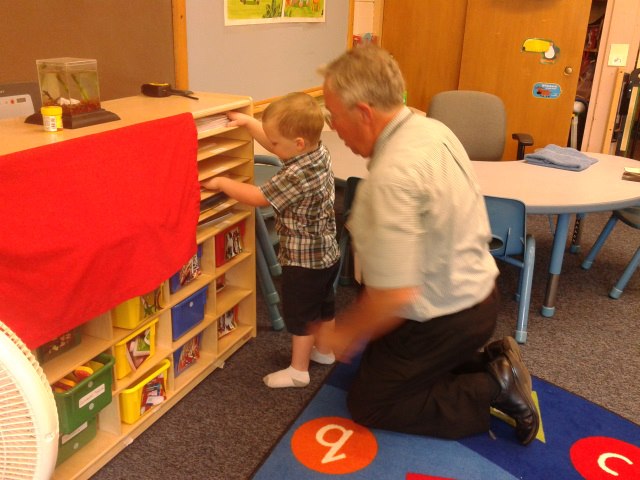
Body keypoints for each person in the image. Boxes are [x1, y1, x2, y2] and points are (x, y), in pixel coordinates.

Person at [316, 45, 540, 444]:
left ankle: (494, 387)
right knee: (378, 364)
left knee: (370, 403)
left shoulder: (390, 178)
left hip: (446, 317)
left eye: (334, 116)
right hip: (480, 293)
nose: (333, 128)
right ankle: (491, 359)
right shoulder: (431, 127)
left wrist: (342, 332)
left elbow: (393, 296)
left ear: (364, 113)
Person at [201, 92, 340, 388]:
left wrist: (223, 183)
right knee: (324, 307)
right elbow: (280, 146)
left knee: (301, 316)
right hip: (326, 252)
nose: (272, 146)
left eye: (275, 142)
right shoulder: (316, 152)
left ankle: (298, 371)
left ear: (298, 143)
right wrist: (250, 123)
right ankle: (325, 352)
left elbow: (259, 197)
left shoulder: (297, 174)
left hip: (303, 259)